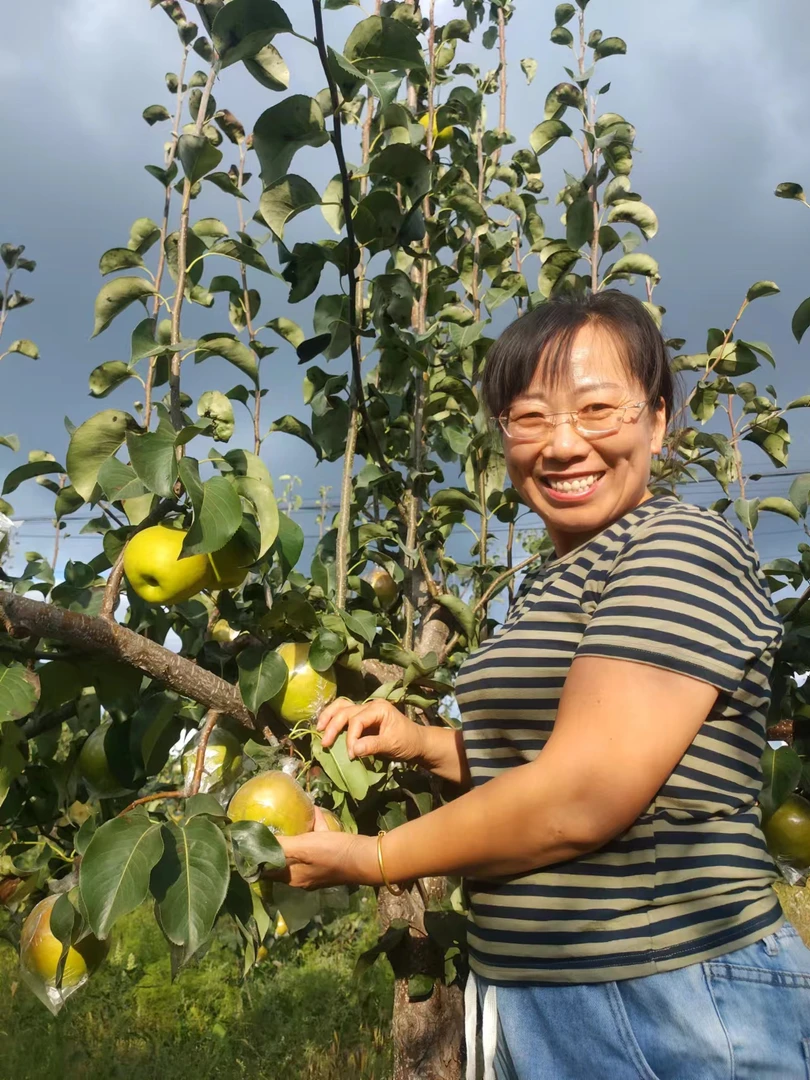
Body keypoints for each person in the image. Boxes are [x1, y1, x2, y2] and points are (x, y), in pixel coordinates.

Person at [265, 291, 810, 1079]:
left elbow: (579, 793)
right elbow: (541, 760)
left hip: (666, 997)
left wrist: (373, 857)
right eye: (529, 417)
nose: (562, 444)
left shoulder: (681, 545)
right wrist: (422, 744)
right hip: (545, 997)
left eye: (597, 410)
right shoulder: (548, 585)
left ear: (658, 420)